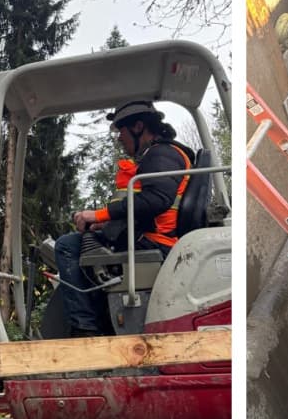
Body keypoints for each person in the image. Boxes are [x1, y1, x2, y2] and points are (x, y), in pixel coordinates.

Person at [54, 101, 194, 334]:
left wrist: (98, 214)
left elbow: (156, 199)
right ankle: (99, 322)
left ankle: (84, 329)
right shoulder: (163, 154)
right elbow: (148, 208)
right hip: (152, 238)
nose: (119, 138)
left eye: (121, 131)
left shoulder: (161, 154)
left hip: (157, 243)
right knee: (84, 245)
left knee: (67, 246)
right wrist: (103, 222)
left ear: (138, 127)